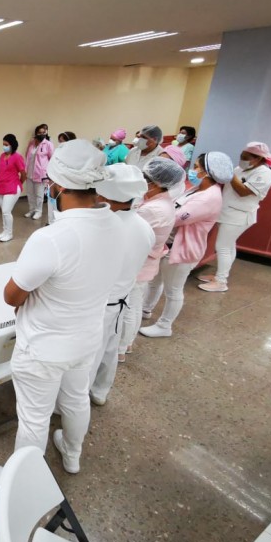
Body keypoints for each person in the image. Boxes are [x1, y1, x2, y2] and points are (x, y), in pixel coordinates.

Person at [0, 139, 123, 481]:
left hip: (44, 346)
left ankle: (20, 482)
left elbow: (12, 296)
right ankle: (72, 455)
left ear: (57, 185)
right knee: (76, 399)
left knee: (34, 417)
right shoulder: (117, 225)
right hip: (87, 337)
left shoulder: (53, 238)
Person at [140, 152, 233, 338]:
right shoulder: (197, 189)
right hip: (169, 244)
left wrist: (153, 212)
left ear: (208, 172)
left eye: (198, 167)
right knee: (155, 281)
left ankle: (165, 326)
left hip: (182, 249)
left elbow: (175, 218)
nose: (194, 170)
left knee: (173, 290)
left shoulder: (209, 197)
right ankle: (145, 309)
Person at [89, 164, 155, 406]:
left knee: (89, 357)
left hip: (97, 304)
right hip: (121, 299)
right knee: (109, 350)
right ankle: (100, 392)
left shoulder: (104, 228)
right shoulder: (143, 226)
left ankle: (71, 406)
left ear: (106, 197)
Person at [119, 158, 183, 360]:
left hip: (139, 264)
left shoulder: (153, 209)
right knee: (134, 304)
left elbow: (127, 232)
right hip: (144, 261)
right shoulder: (157, 201)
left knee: (129, 307)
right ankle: (126, 343)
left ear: (155, 183)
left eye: (144, 178)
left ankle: (120, 349)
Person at [198, 142, 271, 292]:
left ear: (258, 159)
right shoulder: (240, 169)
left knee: (222, 246)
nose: (242, 159)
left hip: (239, 215)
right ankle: (220, 275)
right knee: (229, 246)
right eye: (241, 156)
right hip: (227, 212)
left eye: (246, 157)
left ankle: (221, 282)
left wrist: (230, 174)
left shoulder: (264, 174)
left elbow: (243, 191)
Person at [0, 134, 27, 242]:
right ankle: (4, 231)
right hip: (1, 186)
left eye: (6, 144)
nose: (4, 146)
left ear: (12, 145)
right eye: (3, 144)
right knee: (3, 212)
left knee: (6, 211)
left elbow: (23, 174)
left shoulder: (17, 157)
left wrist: (19, 183)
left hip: (12, 187)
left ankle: (9, 233)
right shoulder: (2, 156)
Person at [24, 124, 54, 221]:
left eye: (44, 132)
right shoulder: (31, 143)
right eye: (40, 132)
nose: (42, 134)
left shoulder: (48, 144)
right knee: (29, 193)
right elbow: (27, 155)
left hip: (40, 173)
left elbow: (52, 159)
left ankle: (38, 211)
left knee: (39, 194)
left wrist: (47, 172)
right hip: (29, 172)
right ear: (36, 133)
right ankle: (31, 209)